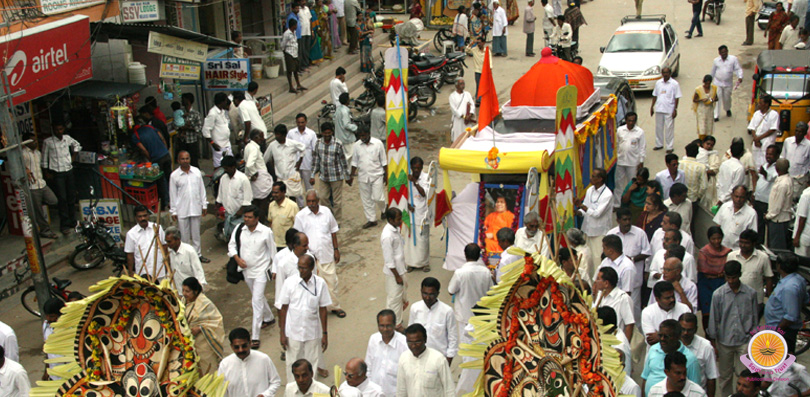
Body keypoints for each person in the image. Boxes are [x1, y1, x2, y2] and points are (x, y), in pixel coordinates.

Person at [707, 260, 758, 397]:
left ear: (739, 275)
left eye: (734, 277)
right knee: (725, 377)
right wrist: (713, 342)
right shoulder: (718, 294)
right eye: (728, 277)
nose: (731, 280)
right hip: (724, 341)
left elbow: (754, 318)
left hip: (745, 341)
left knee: (745, 376)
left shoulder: (750, 294)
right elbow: (714, 319)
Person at [278, 254, 332, 381]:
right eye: (299, 267)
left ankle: (311, 389)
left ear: (312, 268)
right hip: (293, 331)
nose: (301, 271)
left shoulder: (320, 283)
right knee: (293, 362)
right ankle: (293, 390)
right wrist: (282, 333)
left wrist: (324, 334)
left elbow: (323, 309)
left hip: (312, 331)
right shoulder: (289, 283)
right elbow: (283, 308)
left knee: (312, 362)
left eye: (304, 268)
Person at [228, 205, 276, 348]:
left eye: (249, 217)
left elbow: (273, 252)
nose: (246, 220)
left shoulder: (266, 232)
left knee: (256, 300)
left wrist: (275, 269)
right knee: (258, 297)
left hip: (261, 270)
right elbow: (232, 246)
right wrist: (237, 259)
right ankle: (269, 317)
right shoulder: (239, 229)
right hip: (246, 271)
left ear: (257, 218)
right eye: (245, 217)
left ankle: (255, 336)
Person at [294, 190, 345, 317]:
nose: (311, 204)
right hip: (310, 258)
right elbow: (298, 237)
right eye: (309, 202)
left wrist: (336, 249)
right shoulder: (301, 216)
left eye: (313, 201)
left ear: (318, 201)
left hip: (327, 254)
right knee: (312, 285)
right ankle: (314, 310)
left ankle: (335, 307)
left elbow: (333, 231)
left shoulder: (326, 212)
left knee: (332, 282)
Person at [608, 207, 652, 320]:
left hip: (634, 281)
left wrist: (631, 259)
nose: (627, 222)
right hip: (615, 281)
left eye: (629, 219)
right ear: (618, 220)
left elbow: (647, 252)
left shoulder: (640, 233)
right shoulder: (611, 234)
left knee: (633, 311)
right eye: (624, 220)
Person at [641, 318, 702, 395]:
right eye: (660, 335)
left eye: (666, 336)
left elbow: (695, 390)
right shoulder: (653, 349)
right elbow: (645, 378)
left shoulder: (690, 359)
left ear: (677, 337)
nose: (662, 339)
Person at [764, 253, 809, 354]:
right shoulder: (798, 279)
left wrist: (776, 332)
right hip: (781, 329)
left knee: (783, 362)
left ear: (779, 266)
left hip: (784, 331)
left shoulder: (789, 287)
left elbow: (790, 317)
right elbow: (805, 299)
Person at [41, 123, 81, 235]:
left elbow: (77, 145)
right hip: (57, 173)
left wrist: (73, 157)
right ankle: (64, 224)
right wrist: (46, 172)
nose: (59, 131)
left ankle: (73, 221)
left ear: (63, 129)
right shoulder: (48, 142)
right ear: (53, 130)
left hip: (68, 170)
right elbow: (44, 158)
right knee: (62, 198)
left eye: (60, 129)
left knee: (71, 196)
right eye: (56, 129)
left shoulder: (67, 139)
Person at [218, 327, 281, 396]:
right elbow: (222, 390)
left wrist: (265, 395)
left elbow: (275, 382)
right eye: (236, 347)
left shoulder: (263, 359)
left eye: (244, 346)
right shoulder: (225, 364)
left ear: (250, 343)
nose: (241, 350)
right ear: (231, 346)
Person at [170, 151, 209, 262]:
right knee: (184, 235)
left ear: (190, 159)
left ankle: (198, 255)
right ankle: (186, 256)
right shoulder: (174, 176)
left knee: (196, 234)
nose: (185, 161)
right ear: (178, 161)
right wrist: (173, 211)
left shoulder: (196, 172)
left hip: (196, 207)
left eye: (187, 158)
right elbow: (172, 194)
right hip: (182, 209)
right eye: (183, 159)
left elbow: (202, 189)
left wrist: (204, 204)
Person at [396, 324, 456, 396]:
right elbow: (401, 390)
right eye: (410, 342)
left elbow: (449, 389)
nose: (413, 345)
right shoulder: (404, 358)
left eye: (417, 342)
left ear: (425, 339)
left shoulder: (438, 359)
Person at [408, 277, 458, 363]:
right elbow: (410, 332)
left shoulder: (447, 311)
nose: (427, 297)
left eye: (431, 294)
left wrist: (449, 359)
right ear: (421, 292)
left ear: (437, 293)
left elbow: (452, 337)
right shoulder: (415, 308)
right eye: (424, 293)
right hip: (418, 357)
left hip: (439, 358)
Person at [182, 277, 226, 375]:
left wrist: (200, 328)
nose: (184, 293)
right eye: (183, 290)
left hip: (204, 343)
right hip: (189, 344)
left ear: (196, 291)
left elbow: (216, 321)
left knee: (208, 369)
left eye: (187, 291)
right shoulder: (183, 301)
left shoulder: (205, 304)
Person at [448, 243, 493, 336]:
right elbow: (492, 291)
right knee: (481, 343)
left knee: (465, 344)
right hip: (482, 315)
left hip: (464, 315)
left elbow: (450, 291)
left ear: (465, 255)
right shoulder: (486, 272)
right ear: (478, 256)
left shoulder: (460, 273)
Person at [575, 168, 613, 275]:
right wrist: (578, 212)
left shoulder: (607, 194)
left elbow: (597, 213)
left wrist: (581, 205)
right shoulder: (590, 190)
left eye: (593, 176)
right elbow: (585, 210)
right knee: (587, 260)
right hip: (587, 230)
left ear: (600, 179)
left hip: (599, 233)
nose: (590, 178)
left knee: (597, 261)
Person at [729, 229, 774, 317]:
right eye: (741, 242)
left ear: (754, 244)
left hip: (755, 301)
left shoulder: (763, 258)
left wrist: (770, 299)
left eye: (746, 243)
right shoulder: (732, 256)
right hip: (735, 299)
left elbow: (769, 278)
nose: (743, 245)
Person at [21, 133, 57, 239]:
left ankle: (35, 205)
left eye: (35, 140)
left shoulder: (38, 153)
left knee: (53, 200)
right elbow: (15, 165)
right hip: (32, 187)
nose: (35, 142)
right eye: (32, 141)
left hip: (41, 184)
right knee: (39, 212)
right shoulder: (23, 154)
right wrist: (25, 169)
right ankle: (45, 231)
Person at [365, 309, 409, 396]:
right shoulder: (373, 339)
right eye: (382, 326)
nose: (385, 329)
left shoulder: (404, 344)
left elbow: (408, 374)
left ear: (395, 325)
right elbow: (368, 366)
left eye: (388, 326)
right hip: (374, 393)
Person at [310, 123, 349, 218]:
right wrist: (312, 175)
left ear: (332, 132)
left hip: (336, 177)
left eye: (329, 133)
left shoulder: (338, 144)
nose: (327, 135)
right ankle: (329, 217)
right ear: (322, 133)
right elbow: (316, 160)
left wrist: (347, 176)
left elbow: (343, 161)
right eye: (325, 133)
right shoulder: (318, 143)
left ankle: (337, 220)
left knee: (337, 201)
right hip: (323, 177)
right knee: (323, 198)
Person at [351, 126, 387, 228]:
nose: (362, 138)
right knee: (366, 199)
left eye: (364, 135)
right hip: (363, 176)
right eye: (360, 136)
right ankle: (372, 220)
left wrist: (386, 175)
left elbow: (384, 161)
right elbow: (354, 162)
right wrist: (351, 176)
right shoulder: (356, 146)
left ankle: (384, 209)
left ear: (369, 133)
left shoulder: (378, 143)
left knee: (377, 197)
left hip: (377, 175)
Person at [131, 118, 171, 207]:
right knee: (170, 177)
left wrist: (151, 159)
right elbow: (162, 138)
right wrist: (165, 149)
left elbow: (144, 150)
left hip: (157, 159)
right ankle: (174, 199)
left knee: (162, 181)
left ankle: (165, 203)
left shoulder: (135, 135)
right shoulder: (151, 127)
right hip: (166, 155)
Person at [697, 226, 731, 328]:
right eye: (713, 239)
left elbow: (729, 267)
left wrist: (722, 274)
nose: (716, 241)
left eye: (719, 238)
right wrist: (719, 273)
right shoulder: (704, 252)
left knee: (722, 311)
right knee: (707, 312)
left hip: (722, 283)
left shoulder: (728, 252)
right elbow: (704, 270)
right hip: (706, 284)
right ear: (709, 239)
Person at [381, 208, 409, 329]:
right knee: (394, 299)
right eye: (398, 219)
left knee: (399, 297)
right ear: (391, 219)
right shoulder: (387, 236)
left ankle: (397, 320)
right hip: (394, 273)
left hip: (401, 269)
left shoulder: (395, 229)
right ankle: (396, 324)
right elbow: (389, 260)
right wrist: (397, 276)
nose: (401, 221)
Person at [641, 282, 692, 347]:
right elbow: (651, 340)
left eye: (673, 296)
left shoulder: (684, 309)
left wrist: (659, 335)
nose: (672, 300)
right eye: (667, 298)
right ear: (657, 299)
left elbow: (686, 336)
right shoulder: (647, 312)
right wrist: (677, 335)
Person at [266, 124, 306, 206]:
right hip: (280, 178)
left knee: (292, 200)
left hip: (291, 177)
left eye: (278, 134)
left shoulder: (292, 144)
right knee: (280, 200)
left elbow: (303, 148)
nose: (276, 136)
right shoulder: (272, 145)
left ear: (284, 135)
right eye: (275, 134)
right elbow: (265, 159)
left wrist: (299, 162)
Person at [593, 266, 635, 342]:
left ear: (606, 283)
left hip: (615, 340)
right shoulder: (600, 294)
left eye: (598, 279)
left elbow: (629, 324)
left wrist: (625, 345)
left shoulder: (623, 298)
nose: (595, 281)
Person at [125, 205, 167, 279]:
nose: (143, 218)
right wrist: (130, 272)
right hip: (143, 272)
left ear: (148, 215)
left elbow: (164, 246)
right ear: (136, 218)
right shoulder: (131, 234)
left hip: (159, 270)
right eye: (140, 216)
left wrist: (167, 265)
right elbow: (130, 255)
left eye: (145, 215)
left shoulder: (157, 228)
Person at [217, 156, 253, 240]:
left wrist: (238, 213)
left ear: (233, 167)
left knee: (240, 237)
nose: (225, 171)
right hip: (228, 214)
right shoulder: (223, 178)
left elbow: (247, 200)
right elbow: (220, 195)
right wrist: (217, 208)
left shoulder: (243, 179)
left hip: (239, 216)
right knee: (230, 237)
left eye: (226, 168)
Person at [615, 112, 646, 208]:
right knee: (618, 183)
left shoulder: (640, 132)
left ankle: (630, 202)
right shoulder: (620, 130)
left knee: (632, 184)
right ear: (626, 120)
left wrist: (641, 162)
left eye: (633, 121)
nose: (631, 122)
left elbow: (642, 148)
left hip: (633, 162)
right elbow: (616, 144)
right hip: (620, 161)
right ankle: (617, 204)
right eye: (629, 120)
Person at [243, 130, 274, 223]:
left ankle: (255, 221)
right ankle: (260, 222)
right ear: (256, 138)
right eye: (261, 137)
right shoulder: (253, 149)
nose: (263, 139)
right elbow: (249, 164)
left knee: (256, 203)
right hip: (260, 180)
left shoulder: (249, 146)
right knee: (262, 204)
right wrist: (254, 173)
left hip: (256, 181)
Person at [406, 157, 431, 272]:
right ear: (411, 167)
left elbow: (425, 194)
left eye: (419, 168)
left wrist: (415, 182)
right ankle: (411, 263)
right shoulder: (406, 177)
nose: (416, 170)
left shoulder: (426, 178)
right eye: (414, 168)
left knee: (423, 239)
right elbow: (402, 194)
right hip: (410, 213)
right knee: (410, 239)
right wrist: (407, 205)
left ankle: (424, 263)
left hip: (422, 213)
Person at [714, 186, 757, 250]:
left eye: (741, 197)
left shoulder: (751, 213)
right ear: (732, 196)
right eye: (736, 196)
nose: (738, 200)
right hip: (722, 248)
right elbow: (718, 226)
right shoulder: (725, 207)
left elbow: (752, 235)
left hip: (738, 250)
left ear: (746, 198)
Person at [166, 227, 206, 293]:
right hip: (177, 290)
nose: (167, 244)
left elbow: (198, 271)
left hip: (189, 292)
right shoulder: (170, 252)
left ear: (178, 240)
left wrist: (200, 288)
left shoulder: (189, 251)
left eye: (169, 241)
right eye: (166, 241)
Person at [651, 67, 681, 153]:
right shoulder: (658, 83)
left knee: (669, 128)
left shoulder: (674, 84)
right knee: (658, 128)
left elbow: (677, 97)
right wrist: (652, 107)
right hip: (659, 108)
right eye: (663, 73)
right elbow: (655, 95)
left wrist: (675, 109)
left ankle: (669, 147)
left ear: (670, 73)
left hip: (669, 109)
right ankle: (659, 144)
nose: (665, 74)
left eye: (667, 73)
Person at [765, 158, 793, 249]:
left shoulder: (783, 184)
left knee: (776, 248)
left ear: (777, 169)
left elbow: (777, 206)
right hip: (779, 219)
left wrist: (768, 216)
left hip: (778, 220)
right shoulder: (786, 179)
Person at [288, 113, 319, 194]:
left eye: (302, 122)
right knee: (296, 186)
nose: (300, 124)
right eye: (298, 122)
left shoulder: (311, 133)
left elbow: (315, 150)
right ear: (296, 122)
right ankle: (300, 205)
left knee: (309, 186)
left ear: (306, 122)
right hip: (294, 164)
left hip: (307, 164)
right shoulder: (291, 133)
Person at [710, 45, 743, 121]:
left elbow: (738, 69)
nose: (724, 54)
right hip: (717, 83)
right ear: (719, 53)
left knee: (727, 98)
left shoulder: (733, 59)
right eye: (722, 52)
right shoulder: (716, 61)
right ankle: (716, 115)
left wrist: (740, 77)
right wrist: (709, 81)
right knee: (717, 98)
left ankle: (727, 109)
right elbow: (713, 71)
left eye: (725, 52)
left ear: (727, 51)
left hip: (728, 84)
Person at [202, 93, 232, 171]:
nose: (226, 102)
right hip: (218, 146)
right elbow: (205, 130)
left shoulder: (222, 111)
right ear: (221, 102)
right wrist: (212, 143)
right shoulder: (213, 113)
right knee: (219, 167)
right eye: (225, 101)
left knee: (230, 165)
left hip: (227, 144)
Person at [781, 121, 810, 200]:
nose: (798, 133)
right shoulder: (788, 141)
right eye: (796, 131)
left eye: (801, 132)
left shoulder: (808, 145)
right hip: (786, 177)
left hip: (799, 180)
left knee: (794, 200)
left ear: (805, 133)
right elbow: (783, 157)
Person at [748, 97, 780, 169]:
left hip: (767, 143)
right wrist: (756, 139)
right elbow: (752, 127)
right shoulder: (756, 114)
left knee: (765, 162)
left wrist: (758, 138)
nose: (759, 105)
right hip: (756, 143)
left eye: (760, 103)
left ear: (766, 104)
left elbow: (772, 129)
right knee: (755, 162)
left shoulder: (774, 114)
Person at [268, 182, 300, 251]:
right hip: (274, 244)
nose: (274, 195)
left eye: (276, 193)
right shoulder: (271, 205)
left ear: (284, 192)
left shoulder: (292, 206)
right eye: (273, 193)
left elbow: (298, 225)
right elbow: (270, 222)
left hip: (287, 245)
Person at [716, 139, 747, 205]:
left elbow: (718, 183)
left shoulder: (724, 164)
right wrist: (722, 199)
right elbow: (734, 188)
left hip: (721, 197)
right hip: (730, 201)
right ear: (742, 153)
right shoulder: (739, 168)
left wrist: (721, 197)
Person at [177, 93, 203, 167]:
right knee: (182, 161)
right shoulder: (180, 113)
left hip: (192, 141)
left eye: (183, 99)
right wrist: (180, 127)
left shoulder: (195, 113)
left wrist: (189, 128)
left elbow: (199, 127)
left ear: (188, 101)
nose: (181, 101)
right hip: (182, 140)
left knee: (193, 160)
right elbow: (175, 125)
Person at [679, 143, 707, 207]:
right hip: (692, 199)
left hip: (678, 197)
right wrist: (698, 196)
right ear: (697, 153)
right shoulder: (701, 167)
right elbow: (704, 186)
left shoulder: (679, 163)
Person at [42, 298, 64, 380]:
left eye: (51, 316)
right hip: (53, 374)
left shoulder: (70, 329)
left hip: (68, 374)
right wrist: (46, 371)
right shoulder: (45, 325)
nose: (48, 319)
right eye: (46, 315)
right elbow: (47, 350)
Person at [282, 18, 306, 93]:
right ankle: (291, 87)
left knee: (296, 70)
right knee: (290, 71)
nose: (297, 26)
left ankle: (298, 85)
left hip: (295, 53)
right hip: (289, 53)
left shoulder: (294, 32)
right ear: (293, 26)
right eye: (296, 25)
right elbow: (283, 44)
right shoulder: (286, 34)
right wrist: (285, 52)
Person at [697, 136, 722, 207]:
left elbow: (715, 170)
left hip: (709, 182)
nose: (709, 146)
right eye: (707, 144)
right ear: (703, 143)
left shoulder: (714, 156)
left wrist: (704, 172)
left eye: (711, 145)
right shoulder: (698, 152)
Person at [465, 36, 490, 103]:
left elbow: (490, 62)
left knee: (485, 86)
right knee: (478, 85)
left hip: (485, 71)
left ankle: (485, 99)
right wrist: (473, 43)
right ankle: (478, 99)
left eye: (480, 42)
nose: (479, 44)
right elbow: (467, 50)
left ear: (484, 43)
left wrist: (489, 71)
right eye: (478, 43)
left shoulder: (487, 51)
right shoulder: (474, 49)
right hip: (477, 71)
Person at [796, 177, 810, 255]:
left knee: (802, 262)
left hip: (804, 235)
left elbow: (802, 217)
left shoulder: (806, 195)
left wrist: (797, 237)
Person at [299, 0, 313, 69]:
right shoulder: (298, 10)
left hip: (308, 32)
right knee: (303, 49)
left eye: (304, 1)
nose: (303, 2)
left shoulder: (307, 9)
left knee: (307, 48)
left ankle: (307, 63)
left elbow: (310, 20)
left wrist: (312, 31)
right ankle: (304, 65)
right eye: (302, 1)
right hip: (302, 33)